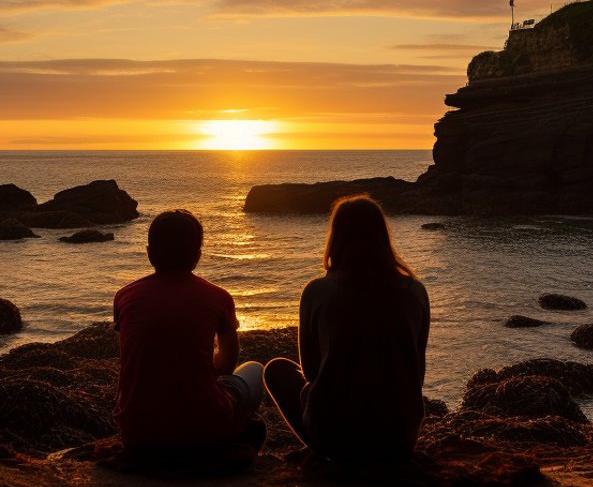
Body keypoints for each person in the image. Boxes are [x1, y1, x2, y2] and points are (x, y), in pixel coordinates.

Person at [263, 194, 429, 464]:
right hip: (399, 438)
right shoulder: (414, 291)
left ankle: (323, 451)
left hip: (335, 439)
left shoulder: (318, 291)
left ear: (336, 236)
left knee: (277, 370)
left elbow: (312, 371)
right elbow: (417, 369)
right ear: (382, 235)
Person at [113, 209, 265, 453]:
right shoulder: (218, 297)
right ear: (197, 256)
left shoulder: (125, 296)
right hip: (203, 429)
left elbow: (130, 357)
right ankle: (235, 429)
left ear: (149, 253)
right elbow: (225, 366)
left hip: (137, 434)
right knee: (255, 370)